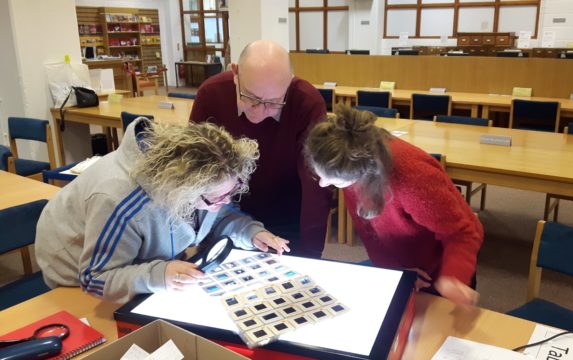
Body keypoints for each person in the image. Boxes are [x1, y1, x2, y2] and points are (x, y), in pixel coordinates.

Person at [35, 118, 289, 304]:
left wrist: (250, 231)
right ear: (182, 192)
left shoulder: (202, 177)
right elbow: (95, 277)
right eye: (217, 198)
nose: (227, 202)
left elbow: (214, 216)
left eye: (232, 191)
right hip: (73, 270)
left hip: (131, 257)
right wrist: (158, 274)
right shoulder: (118, 200)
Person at [304, 105, 484, 305]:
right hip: (406, 270)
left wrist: (454, 278)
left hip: (441, 272)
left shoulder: (413, 179)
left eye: (335, 181)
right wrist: (394, 268)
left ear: (365, 173)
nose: (323, 184)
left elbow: (463, 232)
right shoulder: (349, 157)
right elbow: (368, 229)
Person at [190, 40, 332, 259]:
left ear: (289, 83)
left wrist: (312, 252)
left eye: (274, 102)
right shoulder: (211, 93)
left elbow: (316, 186)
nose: (260, 111)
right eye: (250, 97)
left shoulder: (307, 102)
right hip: (224, 212)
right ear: (235, 72)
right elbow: (194, 169)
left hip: (286, 213)